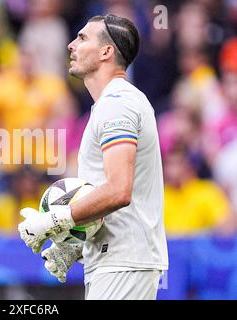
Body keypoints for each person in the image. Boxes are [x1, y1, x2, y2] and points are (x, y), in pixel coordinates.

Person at [18, 14, 168, 300]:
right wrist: (74, 243)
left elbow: (119, 190)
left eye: (83, 38)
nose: (71, 45)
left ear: (106, 52)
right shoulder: (109, 105)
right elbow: (107, 194)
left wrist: (56, 221)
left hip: (124, 262)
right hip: (118, 261)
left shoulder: (118, 104)